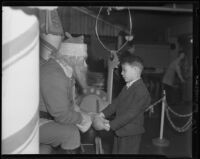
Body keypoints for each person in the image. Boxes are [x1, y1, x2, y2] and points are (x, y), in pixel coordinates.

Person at [39, 32, 92, 154]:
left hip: (45, 118)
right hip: (34, 122)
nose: (85, 65)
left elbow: (70, 105)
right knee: (71, 133)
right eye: (83, 59)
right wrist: (83, 118)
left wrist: (88, 115)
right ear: (72, 58)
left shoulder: (64, 71)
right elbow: (61, 115)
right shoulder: (54, 74)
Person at [92, 51, 151, 154]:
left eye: (124, 70)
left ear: (136, 70)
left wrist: (110, 125)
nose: (121, 73)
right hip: (120, 130)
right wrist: (102, 114)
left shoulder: (141, 91)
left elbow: (130, 114)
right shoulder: (127, 86)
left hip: (131, 134)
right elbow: (116, 103)